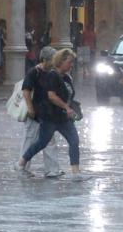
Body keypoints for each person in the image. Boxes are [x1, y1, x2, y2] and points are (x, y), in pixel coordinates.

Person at [18, 48, 83, 179]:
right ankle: (22, 163)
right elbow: (51, 96)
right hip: (49, 117)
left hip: (64, 118)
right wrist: (66, 107)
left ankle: (75, 171)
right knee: (41, 142)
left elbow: (68, 94)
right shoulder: (50, 75)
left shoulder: (67, 77)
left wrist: (72, 107)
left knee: (74, 141)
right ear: (61, 61)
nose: (71, 65)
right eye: (69, 62)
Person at [18, 46, 61, 178]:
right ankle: (22, 167)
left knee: (50, 141)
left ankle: (52, 169)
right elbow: (26, 91)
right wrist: (30, 108)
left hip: (48, 114)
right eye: (52, 60)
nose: (54, 63)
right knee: (30, 140)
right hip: (35, 114)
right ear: (44, 60)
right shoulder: (34, 72)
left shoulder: (53, 73)